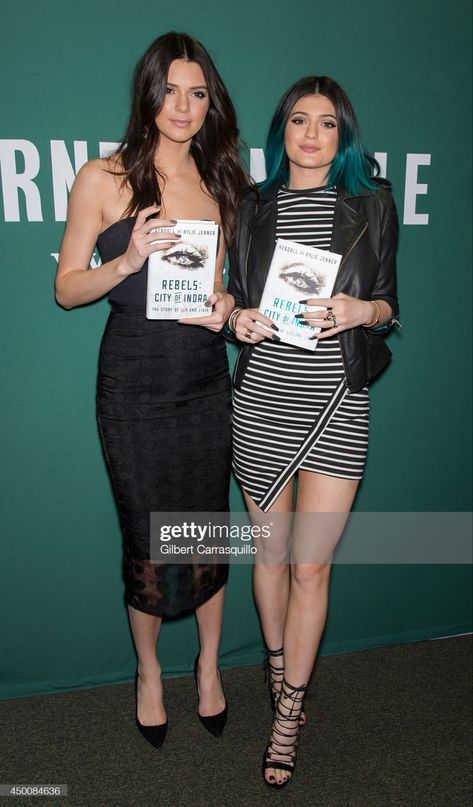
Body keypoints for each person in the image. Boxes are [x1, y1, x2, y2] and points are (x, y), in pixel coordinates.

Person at [55, 32, 248, 748]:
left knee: (205, 529)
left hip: (204, 381)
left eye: (198, 93)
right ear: (147, 93)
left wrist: (225, 309)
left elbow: (225, 290)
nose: (183, 105)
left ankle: (206, 667)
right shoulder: (102, 177)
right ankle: (146, 670)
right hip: (132, 385)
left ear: (210, 103)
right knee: (146, 537)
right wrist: (128, 257)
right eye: (170, 89)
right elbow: (66, 288)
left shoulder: (220, 181)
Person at [227, 75, 399, 788]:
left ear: (343, 134)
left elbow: (390, 303)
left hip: (335, 401)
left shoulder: (371, 202)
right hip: (263, 399)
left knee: (309, 565)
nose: (310, 134)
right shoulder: (249, 205)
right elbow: (231, 297)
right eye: (298, 120)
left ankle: (288, 713)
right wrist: (236, 319)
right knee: (269, 559)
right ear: (281, 132)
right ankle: (276, 667)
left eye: (326, 123)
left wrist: (365, 312)